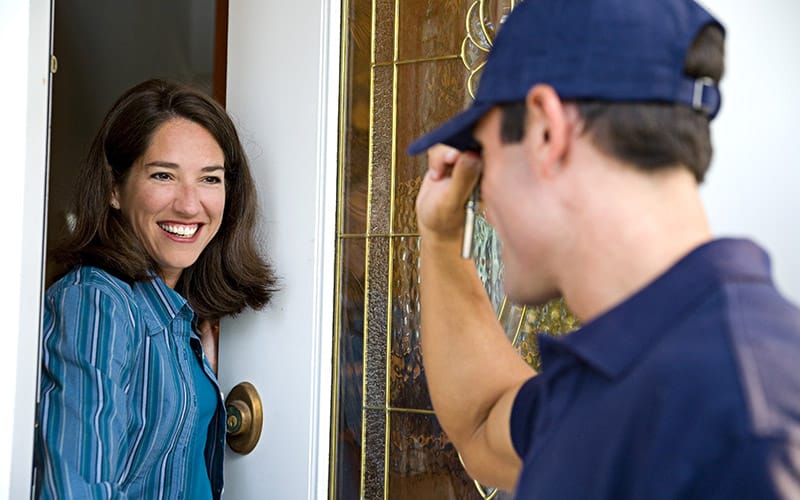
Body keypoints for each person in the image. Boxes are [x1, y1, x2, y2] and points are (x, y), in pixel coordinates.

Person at [408, 0, 800, 498]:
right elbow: (482, 424)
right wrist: (441, 237)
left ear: (547, 130)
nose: (483, 203)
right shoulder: (625, 367)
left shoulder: (751, 429)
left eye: (484, 160)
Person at [36, 79, 277, 499]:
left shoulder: (176, 317)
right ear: (115, 188)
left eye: (210, 179)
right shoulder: (97, 302)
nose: (189, 204)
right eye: (163, 175)